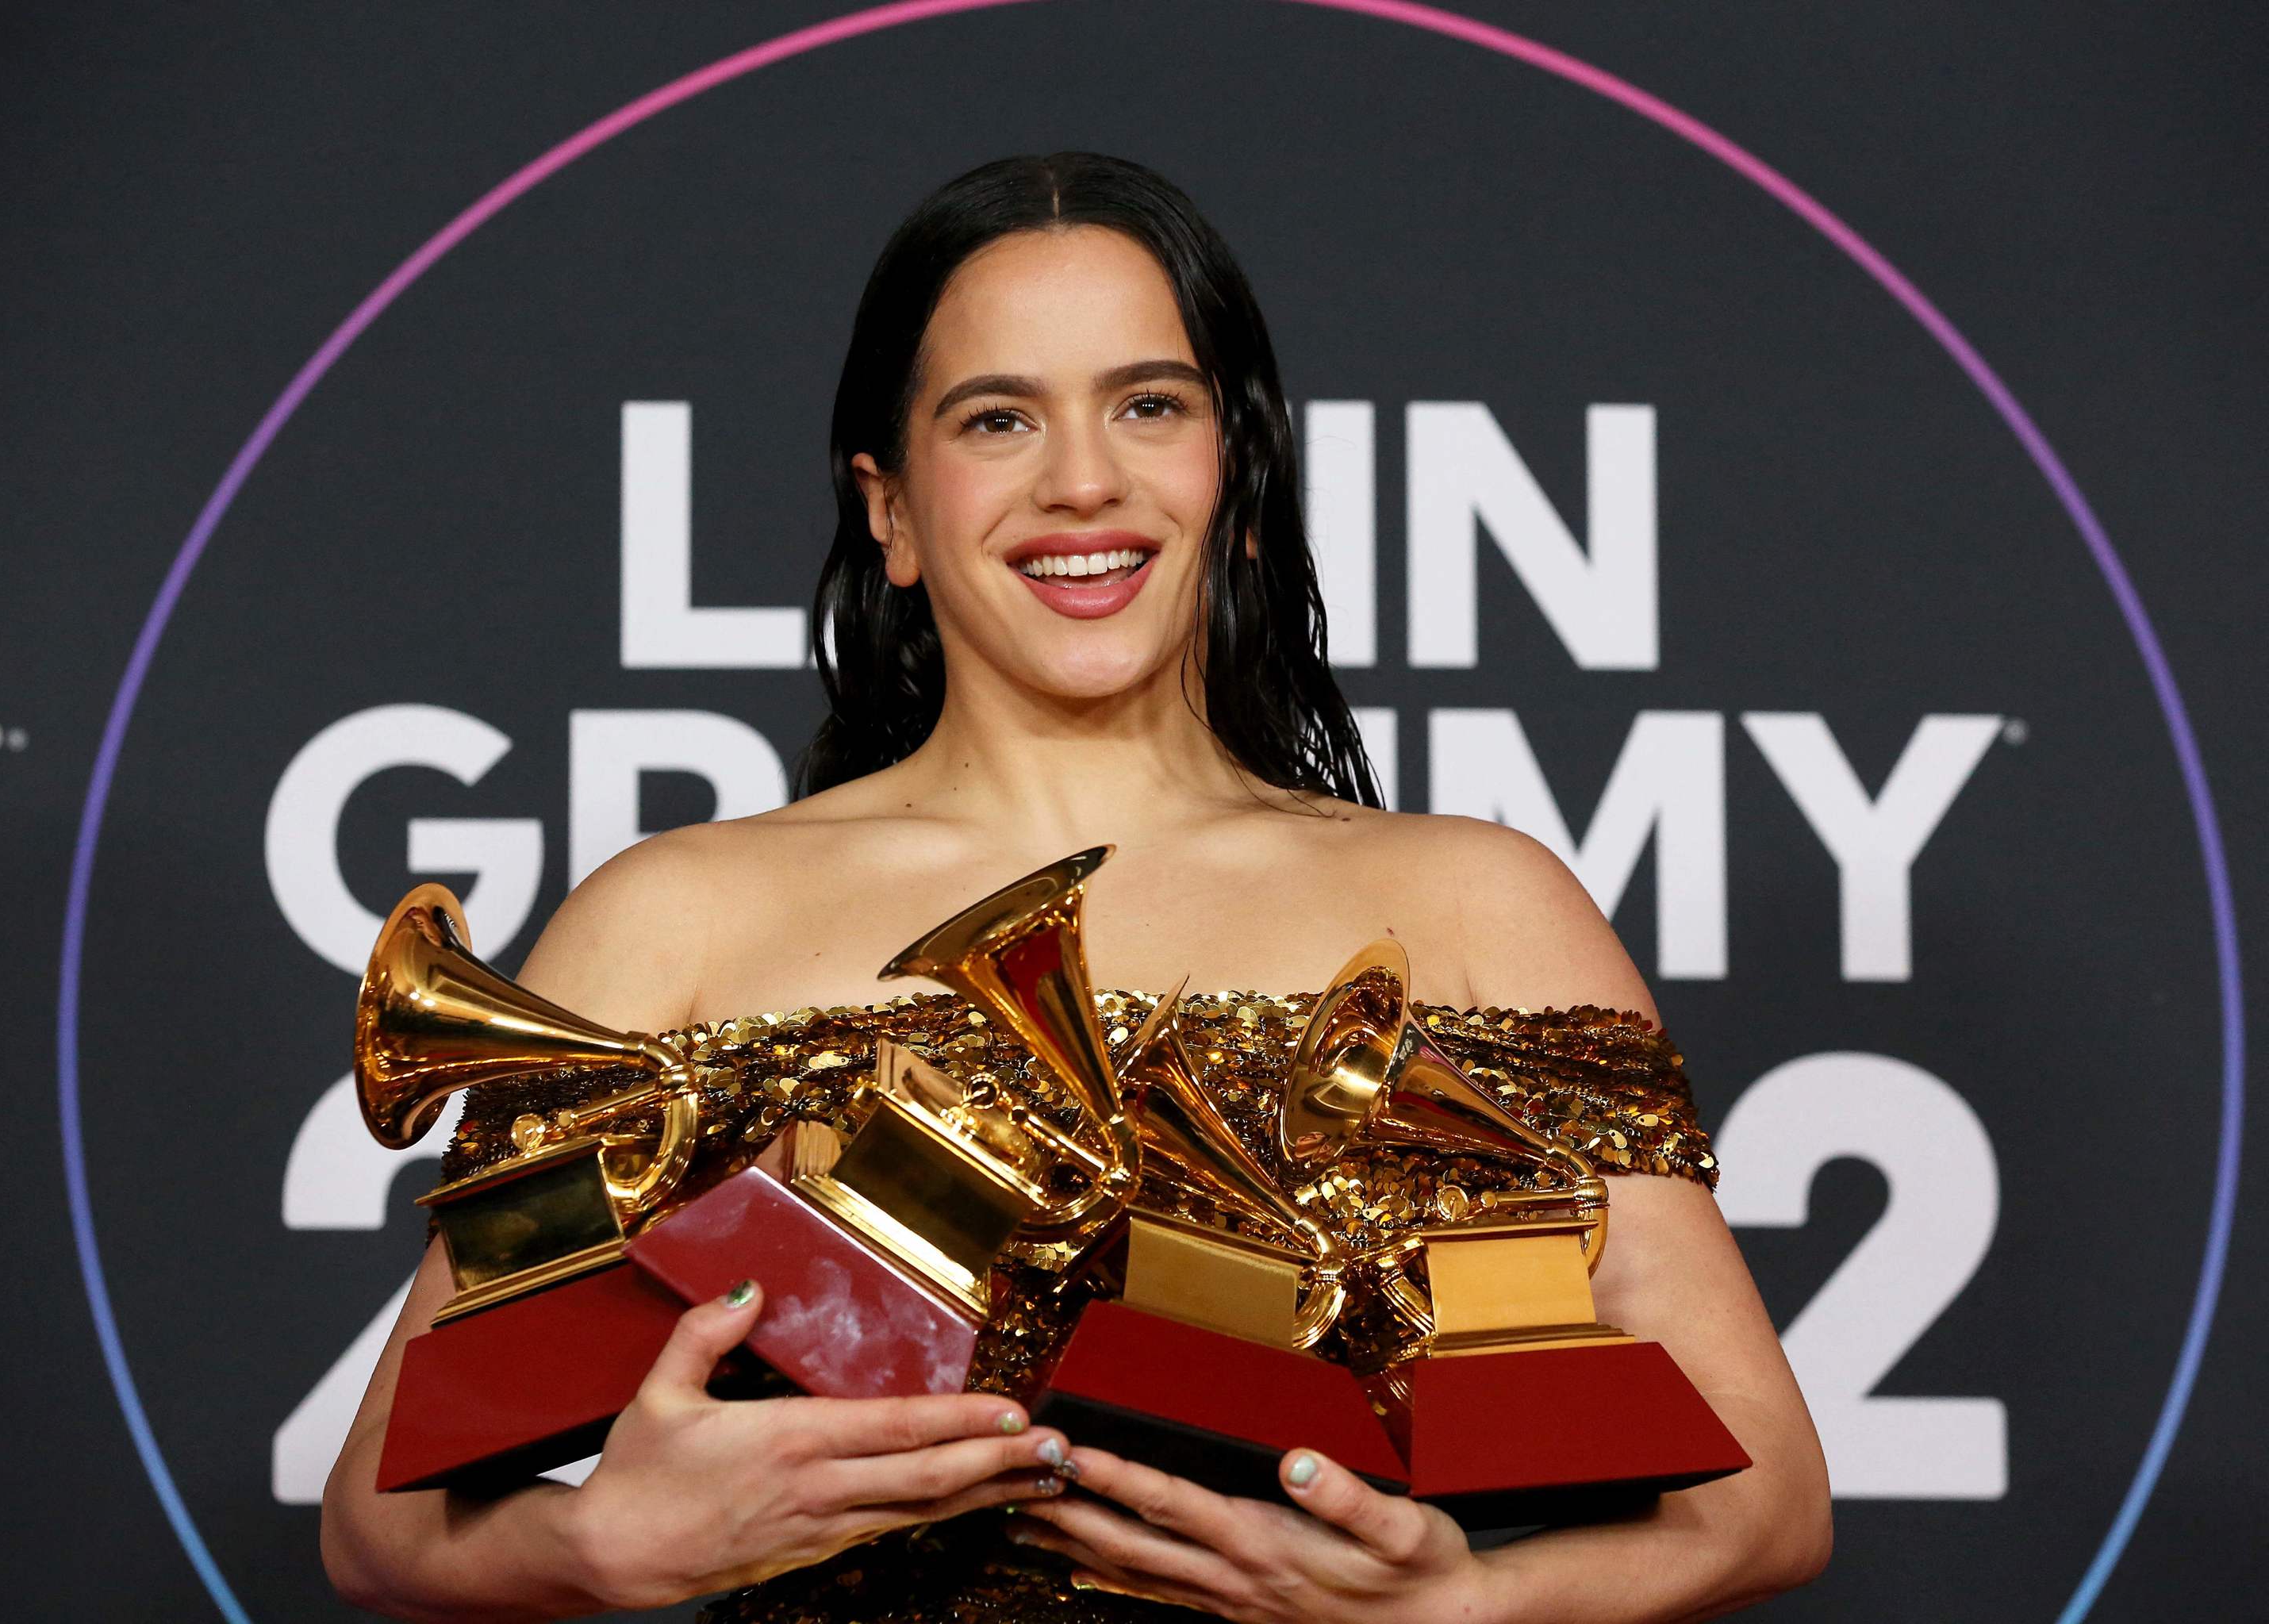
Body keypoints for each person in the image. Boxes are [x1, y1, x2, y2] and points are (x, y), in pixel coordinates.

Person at [321, 151, 1832, 1622]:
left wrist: (1466, 1609)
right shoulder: (676, 916)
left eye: (1149, 405)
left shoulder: (1479, 903)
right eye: (997, 420)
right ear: (890, 510)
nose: (1084, 480)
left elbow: (1761, 1508)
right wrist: (600, 1547)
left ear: (1233, 473)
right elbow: (382, 1526)